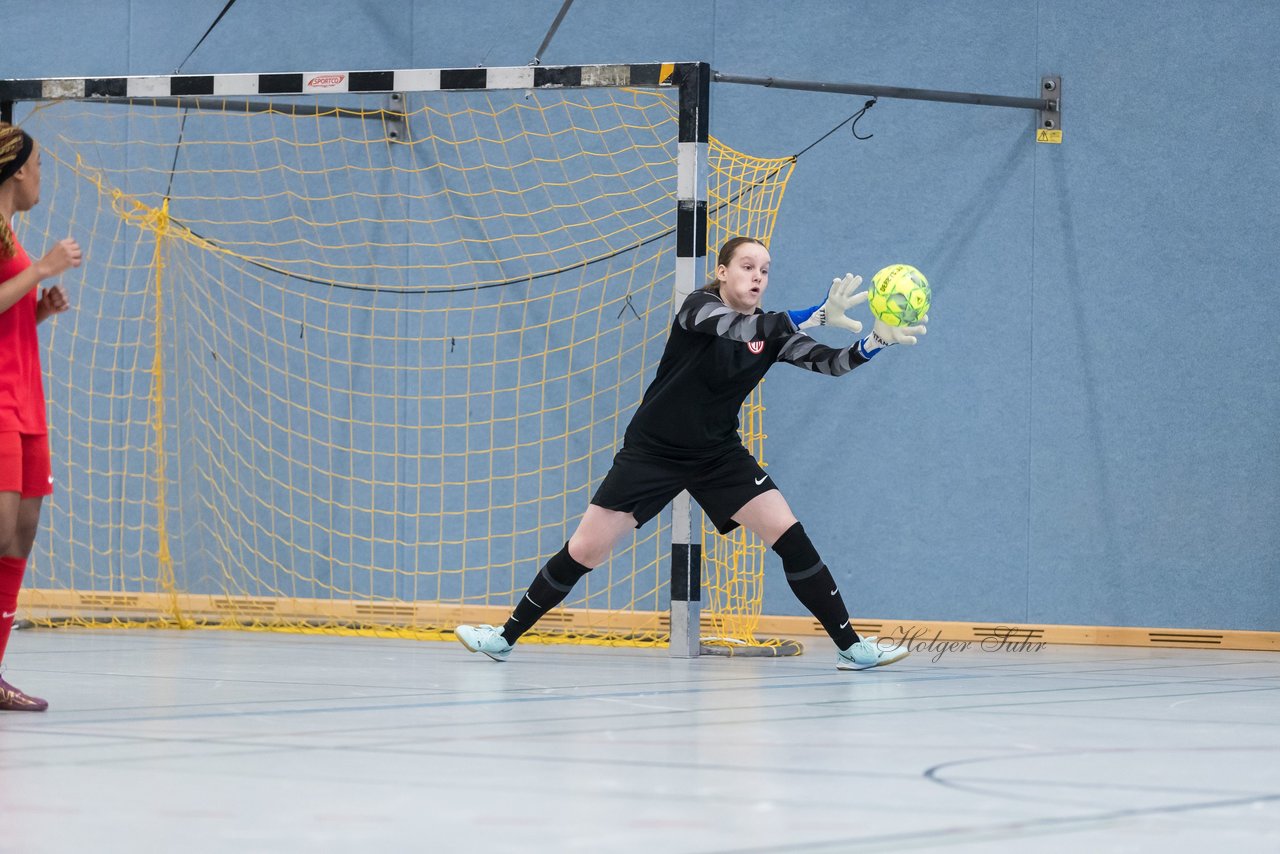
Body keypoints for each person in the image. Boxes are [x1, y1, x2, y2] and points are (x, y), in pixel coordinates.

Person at [456, 236, 925, 671]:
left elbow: (831, 363)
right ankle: (503, 637)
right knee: (585, 550)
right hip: (652, 453)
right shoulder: (698, 308)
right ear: (722, 272)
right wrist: (812, 314)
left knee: (790, 535)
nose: (758, 276)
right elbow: (738, 330)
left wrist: (872, 344)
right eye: (747, 266)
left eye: (765, 269)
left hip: (717, 455)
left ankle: (852, 647)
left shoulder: (773, 331)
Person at [0, 124, 81, 710]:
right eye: (40, 167)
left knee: (20, 537)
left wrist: (39, 314)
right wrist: (42, 272)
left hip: (28, 400)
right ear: (18, 170)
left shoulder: (10, 237)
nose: (41, 180)